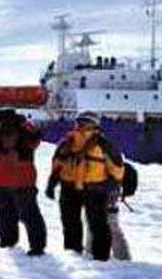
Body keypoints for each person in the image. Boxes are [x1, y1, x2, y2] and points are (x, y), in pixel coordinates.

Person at [46, 111, 124, 261]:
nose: (81, 126)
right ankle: (79, 255)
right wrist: (52, 183)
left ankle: (96, 257)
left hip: (92, 189)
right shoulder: (71, 142)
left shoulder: (96, 143)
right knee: (78, 223)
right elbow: (117, 167)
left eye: (85, 123)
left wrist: (115, 185)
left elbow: (116, 167)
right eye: (80, 122)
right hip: (83, 188)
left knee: (93, 224)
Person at [0, 110, 47, 255]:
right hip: (23, 178)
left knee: (5, 212)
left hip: (0, 177)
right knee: (30, 213)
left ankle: (7, 240)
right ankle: (37, 246)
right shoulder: (24, 128)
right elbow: (36, 140)